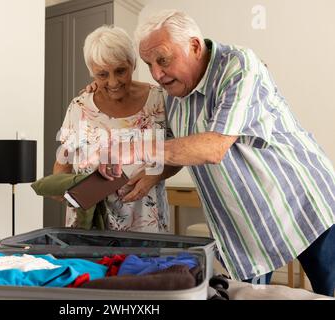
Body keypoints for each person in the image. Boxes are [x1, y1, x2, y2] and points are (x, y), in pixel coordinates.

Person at [96, 10, 335, 296]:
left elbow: (213, 147)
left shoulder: (238, 65)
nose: (157, 73)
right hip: (245, 225)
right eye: (149, 64)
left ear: (194, 46)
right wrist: (151, 176)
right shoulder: (173, 94)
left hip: (303, 201)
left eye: (163, 59)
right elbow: (181, 149)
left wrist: (133, 149)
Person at [53, 25, 180, 233]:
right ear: (91, 72)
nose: (113, 82)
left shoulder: (160, 101)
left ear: (134, 63)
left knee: (150, 267)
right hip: (89, 227)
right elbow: (62, 165)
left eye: (120, 71)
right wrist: (61, 189)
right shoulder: (79, 107)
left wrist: (154, 175)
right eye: (102, 75)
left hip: (146, 223)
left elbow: (178, 155)